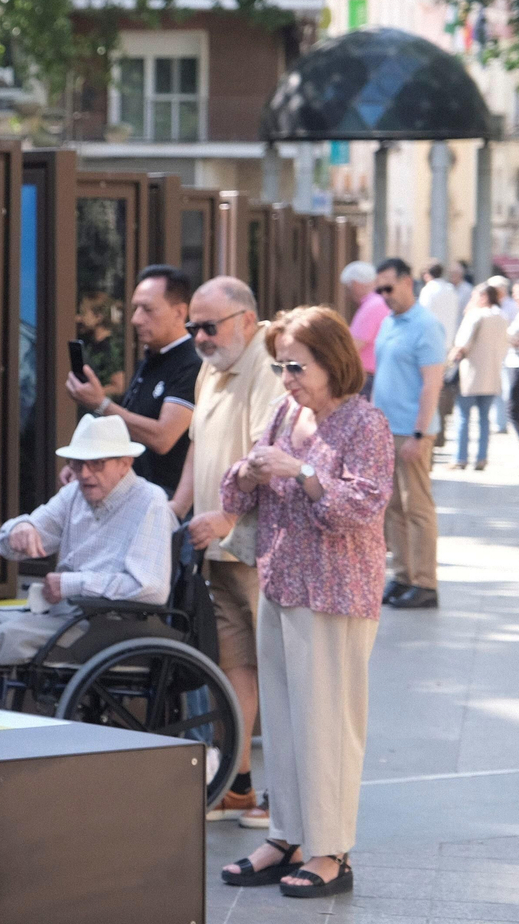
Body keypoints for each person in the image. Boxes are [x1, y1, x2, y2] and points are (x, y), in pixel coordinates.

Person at [218, 306, 393, 899]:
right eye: (279, 364)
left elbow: (361, 507)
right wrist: (247, 473)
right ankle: (288, 834)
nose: (286, 376)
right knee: (288, 724)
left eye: (296, 364)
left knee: (328, 726)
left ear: (332, 360)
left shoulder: (364, 424)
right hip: (280, 579)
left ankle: (331, 849)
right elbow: (234, 491)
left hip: (338, 592)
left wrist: (301, 472)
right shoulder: (284, 411)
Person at [168, 277, 287, 827]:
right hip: (217, 545)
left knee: (278, 669)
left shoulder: (266, 362)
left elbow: (271, 453)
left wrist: (231, 518)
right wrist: (177, 507)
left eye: (207, 326)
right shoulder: (213, 362)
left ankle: (285, 801)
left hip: (256, 546)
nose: (198, 336)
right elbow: (198, 443)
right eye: (192, 326)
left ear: (246, 318)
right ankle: (238, 784)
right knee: (235, 665)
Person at [0, 414, 174, 664]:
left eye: (97, 463)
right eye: (77, 464)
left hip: (106, 625)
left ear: (125, 463)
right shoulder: (73, 494)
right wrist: (19, 529)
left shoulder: (150, 500)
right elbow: (12, 543)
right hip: (63, 615)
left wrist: (71, 584)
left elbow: (150, 589)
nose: (85, 473)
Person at [67, 264, 200, 496]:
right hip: (131, 495)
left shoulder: (192, 363)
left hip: (164, 504)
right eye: (135, 309)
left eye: (147, 309)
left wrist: (101, 404)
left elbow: (162, 437)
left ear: (180, 312)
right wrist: (83, 462)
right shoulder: (152, 357)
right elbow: (125, 432)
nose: (136, 319)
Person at [374, 258, 446, 610]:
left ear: (407, 282)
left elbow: (431, 385)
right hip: (386, 430)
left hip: (411, 431)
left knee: (417, 507)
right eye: (380, 290)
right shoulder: (389, 322)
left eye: (389, 287)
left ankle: (425, 582)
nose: (384, 295)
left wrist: (419, 434)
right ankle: (402, 575)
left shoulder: (426, 325)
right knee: (393, 508)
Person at [450, 284, 509, 471]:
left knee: (463, 417)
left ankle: (460, 458)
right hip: (492, 374)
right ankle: (481, 457)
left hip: (471, 374)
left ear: (483, 297)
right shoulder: (502, 316)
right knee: (484, 419)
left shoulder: (475, 315)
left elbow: (461, 345)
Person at [419, 262, 460, 448]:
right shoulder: (451, 290)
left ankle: (433, 435)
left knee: (429, 390)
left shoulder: (429, 291)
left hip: (429, 344)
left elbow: (421, 317)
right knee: (440, 391)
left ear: (427, 274)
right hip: (447, 343)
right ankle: (439, 435)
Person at [341, 260, 390, 398]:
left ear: (356, 284)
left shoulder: (372, 306)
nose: (347, 292)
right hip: (373, 374)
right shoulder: (378, 302)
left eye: (348, 287)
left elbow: (355, 345)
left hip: (368, 376)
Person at [487, 275, 517, 434]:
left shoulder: (511, 307)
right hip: (498, 352)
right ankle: (500, 421)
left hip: (509, 354)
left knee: (507, 391)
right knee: (498, 389)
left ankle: (503, 421)